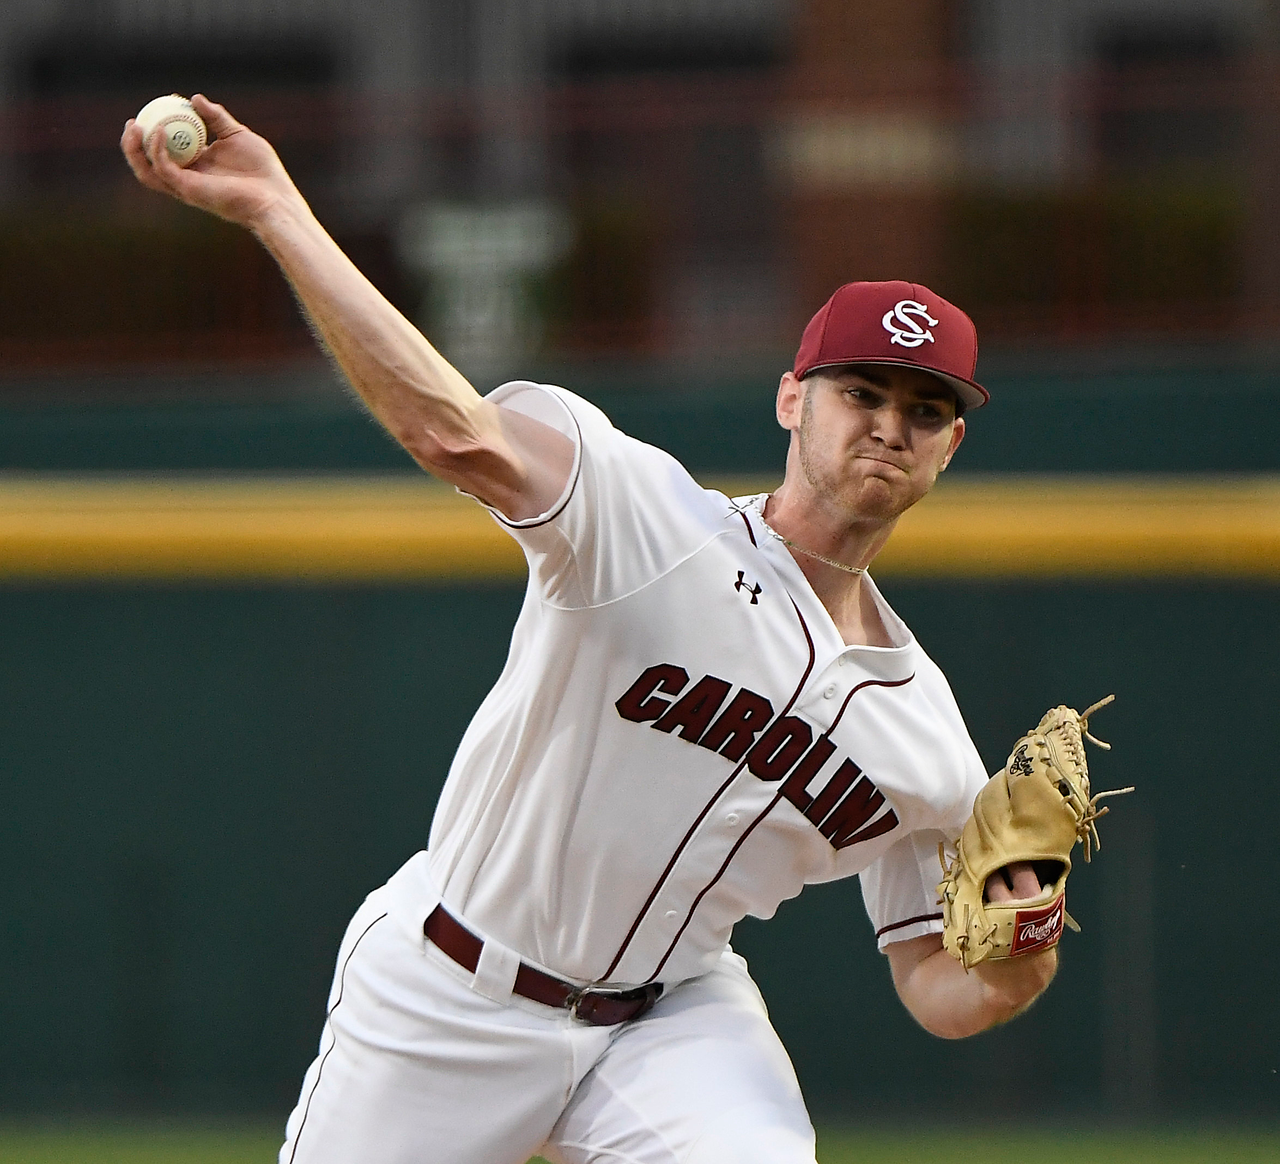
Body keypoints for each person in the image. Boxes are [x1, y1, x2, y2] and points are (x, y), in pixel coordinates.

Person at [123, 96, 1059, 1164]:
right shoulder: (641, 518)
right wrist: (277, 208)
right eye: (862, 391)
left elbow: (940, 992)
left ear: (948, 451)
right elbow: (448, 428)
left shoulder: (926, 741)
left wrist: (1023, 951)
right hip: (448, 989)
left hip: (667, 1021)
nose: (891, 424)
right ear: (792, 401)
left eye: (926, 410)